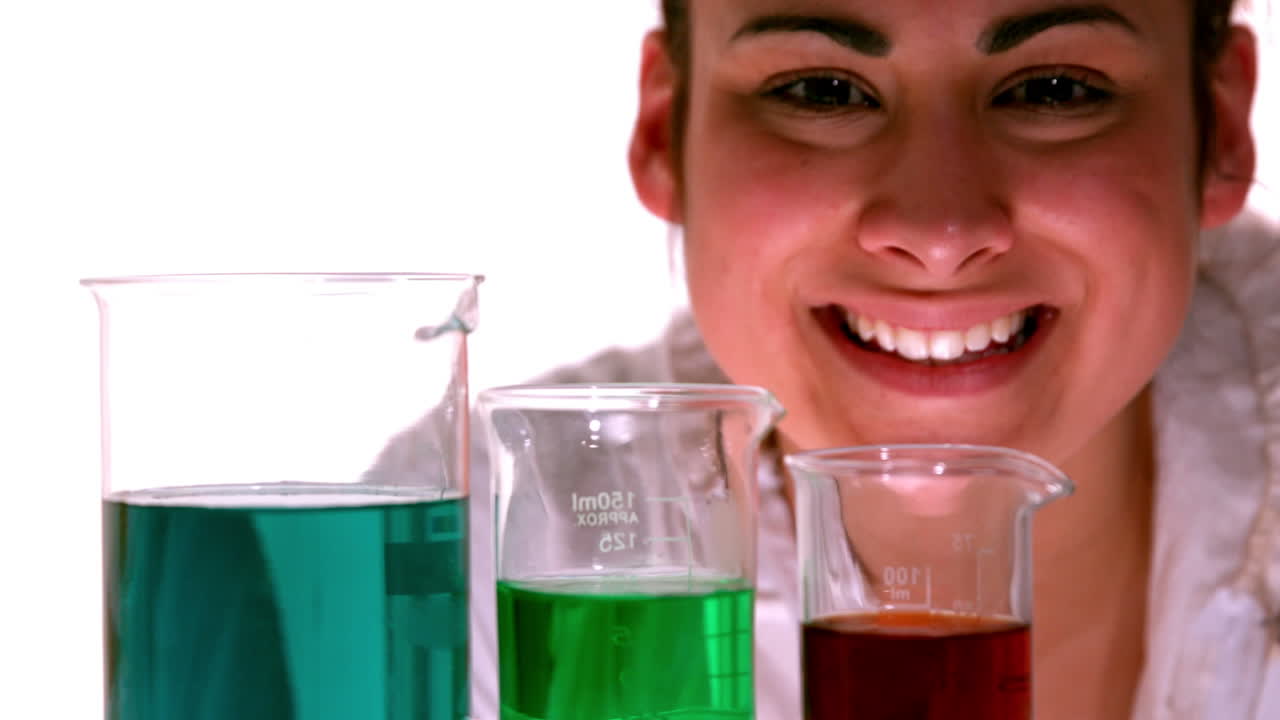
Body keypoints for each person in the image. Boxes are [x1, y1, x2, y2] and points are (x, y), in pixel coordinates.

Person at [470, 1, 1280, 718]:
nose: (939, 232)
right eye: (822, 90)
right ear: (662, 134)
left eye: (1054, 88)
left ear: (1222, 127)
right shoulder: (475, 559)